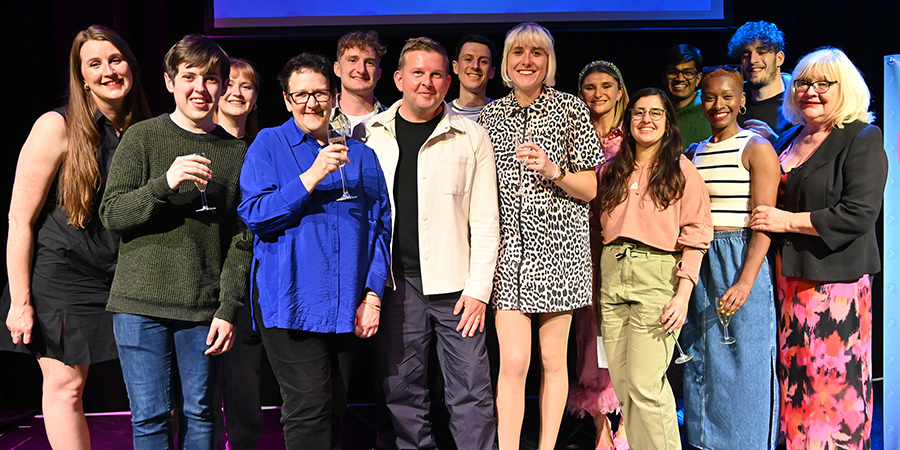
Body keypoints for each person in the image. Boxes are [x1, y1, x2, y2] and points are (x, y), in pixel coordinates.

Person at [98, 34, 252, 450]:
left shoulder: (235, 151)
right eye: (189, 77)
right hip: (138, 304)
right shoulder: (142, 138)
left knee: (200, 412)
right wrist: (164, 184)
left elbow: (242, 239)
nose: (200, 89)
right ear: (170, 82)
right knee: (149, 417)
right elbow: (112, 214)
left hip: (202, 307)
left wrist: (228, 308)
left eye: (212, 79)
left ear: (222, 86)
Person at [1, 25, 149, 450]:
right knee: (66, 385)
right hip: (64, 273)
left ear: (131, 67)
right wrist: (20, 301)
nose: (108, 71)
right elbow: (19, 220)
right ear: (81, 76)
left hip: (126, 271)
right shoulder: (57, 126)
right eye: (94, 64)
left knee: (158, 383)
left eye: (115, 60)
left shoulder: (147, 128)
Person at [238, 52, 391, 450]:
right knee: (308, 408)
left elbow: (379, 226)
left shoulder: (361, 155)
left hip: (346, 302)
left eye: (319, 93)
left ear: (335, 96)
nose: (311, 103)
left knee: (336, 407)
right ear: (287, 100)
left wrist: (373, 294)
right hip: (290, 302)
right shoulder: (269, 143)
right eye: (300, 95)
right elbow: (256, 214)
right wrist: (311, 176)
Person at [358, 36, 499, 450]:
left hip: (457, 288)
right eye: (418, 73)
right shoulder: (370, 133)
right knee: (403, 392)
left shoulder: (470, 136)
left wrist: (479, 291)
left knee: (472, 392)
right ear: (399, 78)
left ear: (447, 78)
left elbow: (487, 220)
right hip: (395, 285)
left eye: (437, 73)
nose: (428, 82)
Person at [749, 47, 886, 450]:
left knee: (831, 392)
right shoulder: (791, 137)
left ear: (845, 89)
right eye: (805, 82)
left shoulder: (861, 137)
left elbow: (858, 214)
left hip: (834, 288)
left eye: (823, 83)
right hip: (789, 282)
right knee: (796, 383)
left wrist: (785, 221)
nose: (811, 91)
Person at [478, 22, 603, 450]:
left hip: (560, 251)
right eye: (518, 53)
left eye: (537, 53)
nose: (526, 61)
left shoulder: (570, 108)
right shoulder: (490, 116)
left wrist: (554, 170)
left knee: (553, 360)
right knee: (513, 361)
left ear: (548, 62)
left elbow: (590, 189)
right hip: (508, 254)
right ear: (506, 63)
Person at [595, 87, 712, 450]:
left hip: (656, 274)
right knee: (625, 386)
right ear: (628, 122)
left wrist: (682, 295)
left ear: (668, 122)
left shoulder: (681, 169)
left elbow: (696, 233)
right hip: (613, 273)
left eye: (655, 114)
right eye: (638, 113)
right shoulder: (613, 170)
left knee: (646, 384)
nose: (646, 120)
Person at [682, 66, 781, 450]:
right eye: (709, 97)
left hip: (740, 256)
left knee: (744, 362)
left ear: (742, 100)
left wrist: (745, 280)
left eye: (727, 96)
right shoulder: (696, 152)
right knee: (702, 356)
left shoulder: (755, 148)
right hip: (702, 257)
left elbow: (763, 223)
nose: (718, 104)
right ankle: (707, 442)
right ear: (700, 102)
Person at [567, 60, 629, 450]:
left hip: (624, 243)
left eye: (607, 85)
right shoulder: (573, 131)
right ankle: (600, 426)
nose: (599, 93)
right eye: (589, 87)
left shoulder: (634, 134)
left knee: (623, 329)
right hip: (582, 243)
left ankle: (627, 422)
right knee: (591, 335)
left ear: (621, 90)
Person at [212, 57, 263, 450]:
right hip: (203, 279)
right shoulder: (198, 144)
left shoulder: (263, 148)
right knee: (202, 388)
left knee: (244, 383)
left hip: (250, 284)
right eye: (228, 83)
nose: (236, 92)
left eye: (245, 85)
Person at [728, 21, 792, 143]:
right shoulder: (733, 100)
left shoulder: (797, 103)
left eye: (762, 52)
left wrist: (775, 141)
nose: (753, 60)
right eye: (746, 55)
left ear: (779, 58)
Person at [333, 30, 388, 131]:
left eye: (369, 63)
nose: (361, 70)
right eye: (353, 60)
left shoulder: (391, 120)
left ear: (378, 74)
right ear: (337, 69)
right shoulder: (321, 118)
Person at [661, 44, 711, 150]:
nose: (680, 78)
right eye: (673, 72)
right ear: (664, 78)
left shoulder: (710, 107)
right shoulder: (655, 111)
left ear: (698, 79)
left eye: (688, 73)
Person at [450, 34, 497, 121]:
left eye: (483, 61)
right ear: (455, 67)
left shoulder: (503, 113)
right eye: (468, 59)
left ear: (492, 72)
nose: (475, 66)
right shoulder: (441, 114)